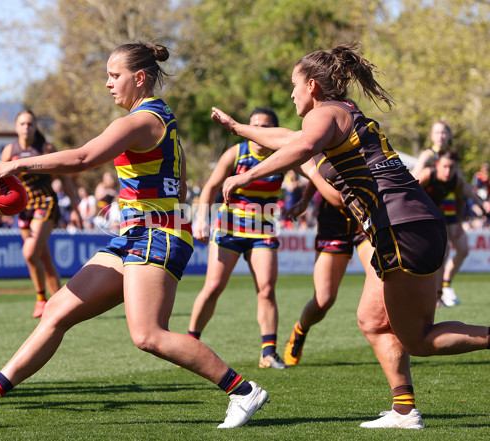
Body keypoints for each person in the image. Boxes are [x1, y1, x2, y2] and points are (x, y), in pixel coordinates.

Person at [0, 41, 268, 429]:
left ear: (140, 77)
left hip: (155, 235)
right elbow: (174, 187)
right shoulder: (159, 117)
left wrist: (13, 165)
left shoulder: (140, 121)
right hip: (140, 234)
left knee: (148, 335)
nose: (109, 84)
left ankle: (243, 391)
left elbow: (82, 158)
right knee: (58, 309)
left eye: (115, 76)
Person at [212, 41, 490, 429]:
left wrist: (245, 175)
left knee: (418, 340)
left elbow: (303, 145)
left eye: (294, 84)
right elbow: (294, 139)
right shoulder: (339, 113)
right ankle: (405, 411)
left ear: (312, 85)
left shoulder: (324, 115)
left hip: (399, 228)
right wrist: (241, 129)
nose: (290, 93)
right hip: (413, 224)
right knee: (372, 320)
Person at [188, 107, 288, 369]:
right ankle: (190, 344)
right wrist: (201, 219)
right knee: (213, 287)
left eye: (266, 127)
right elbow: (209, 188)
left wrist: (312, 194)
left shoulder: (284, 154)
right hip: (229, 228)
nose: (258, 131)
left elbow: (314, 171)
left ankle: (268, 352)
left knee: (266, 289)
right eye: (254, 125)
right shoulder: (236, 153)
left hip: (263, 230)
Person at [283, 158, 372, 366]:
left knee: (382, 282)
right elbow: (339, 199)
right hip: (333, 227)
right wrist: (305, 200)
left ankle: (393, 338)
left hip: (366, 223)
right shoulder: (324, 142)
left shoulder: (363, 139)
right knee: (323, 301)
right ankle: (300, 330)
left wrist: (312, 173)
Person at [1, 110, 82, 317]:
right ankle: (60, 304)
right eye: (22, 124)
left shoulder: (46, 148)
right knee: (43, 257)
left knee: (29, 253)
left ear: (35, 126)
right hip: (24, 208)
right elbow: (2, 182)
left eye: (30, 124)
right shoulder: (10, 151)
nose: (26, 127)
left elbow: (65, 180)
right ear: (16, 127)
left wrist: (75, 209)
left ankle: (41, 299)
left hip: (45, 202)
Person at [417, 149, 490, 306]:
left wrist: (457, 223)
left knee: (462, 249)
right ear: (437, 164)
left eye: (452, 167)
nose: (448, 171)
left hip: (445, 213)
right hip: (424, 215)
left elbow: (459, 201)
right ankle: (436, 294)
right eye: (445, 166)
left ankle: (444, 287)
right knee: (442, 253)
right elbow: (408, 192)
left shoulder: (456, 181)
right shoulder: (426, 175)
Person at [411, 121, 464, 306]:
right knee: (442, 251)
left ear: (448, 135)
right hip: (429, 207)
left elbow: (461, 185)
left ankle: (444, 287)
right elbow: (414, 179)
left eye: (444, 132)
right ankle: (437, 291)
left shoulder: (451, 157)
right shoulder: (428, 156)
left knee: (459, 248)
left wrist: (479, 204)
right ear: (432, 136)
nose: (441, 136)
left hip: (447, 205)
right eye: (437, 132)